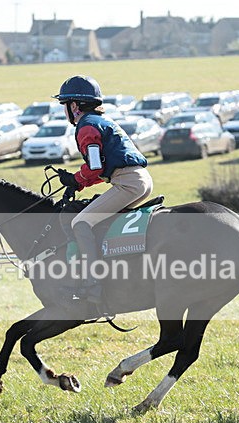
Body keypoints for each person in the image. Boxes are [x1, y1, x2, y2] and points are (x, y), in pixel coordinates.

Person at [53, 75, 154, 304]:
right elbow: (102, 167)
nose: (65, 111)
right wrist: (78, 183)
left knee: (80, 223)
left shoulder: (86, 127)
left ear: (75, 106)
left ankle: (92, 283)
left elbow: (95, 166)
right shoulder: (102, 121)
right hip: (139, 180)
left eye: (65, 106)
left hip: (128, 183)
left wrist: (76, 179)